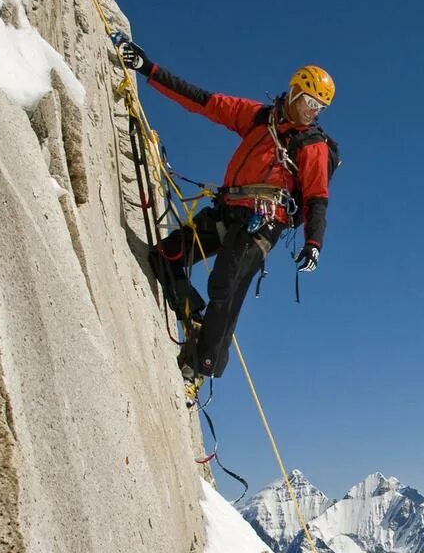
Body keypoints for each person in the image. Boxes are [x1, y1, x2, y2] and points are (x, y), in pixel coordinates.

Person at [115, 38, 337, 384]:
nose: (312, 111)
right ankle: (195, 317)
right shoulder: (259, 118)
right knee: (166, 255)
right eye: (309, 102)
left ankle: (204, 364)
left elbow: (317, 198)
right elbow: (204, 101)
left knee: (225, 284)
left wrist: (314, 243)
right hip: (228, 210)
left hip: (263, 221)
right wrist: (148, 69)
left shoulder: (312, 145)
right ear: (294, 92)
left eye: (319, 107)